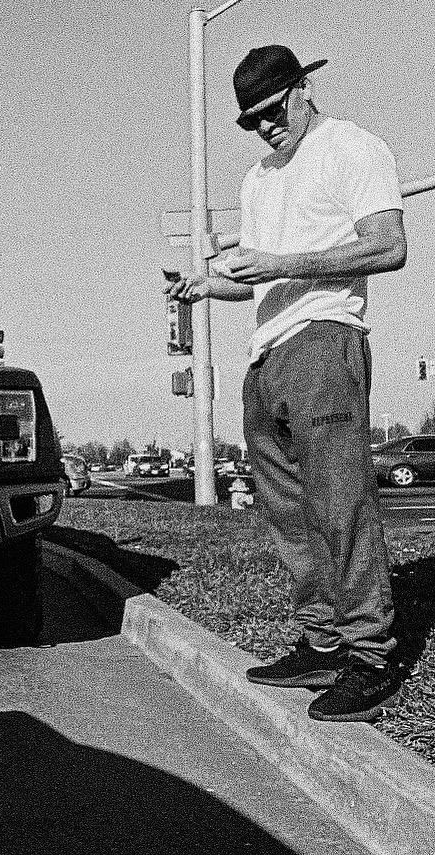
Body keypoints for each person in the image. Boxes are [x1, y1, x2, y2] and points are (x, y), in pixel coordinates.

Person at [166, 44, 407, 723]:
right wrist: (209, 284)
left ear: (303, 89)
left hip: (324, 340)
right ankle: (324, 640)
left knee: (338, 504)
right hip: (266, 351)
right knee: (287, 511)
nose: (267, 127)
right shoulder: (257, 179)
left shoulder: (350, 147)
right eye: (252, 121)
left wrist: (283, 260)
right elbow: (261, 279)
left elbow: (388, 244)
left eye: (274, 110)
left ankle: (370, 655)